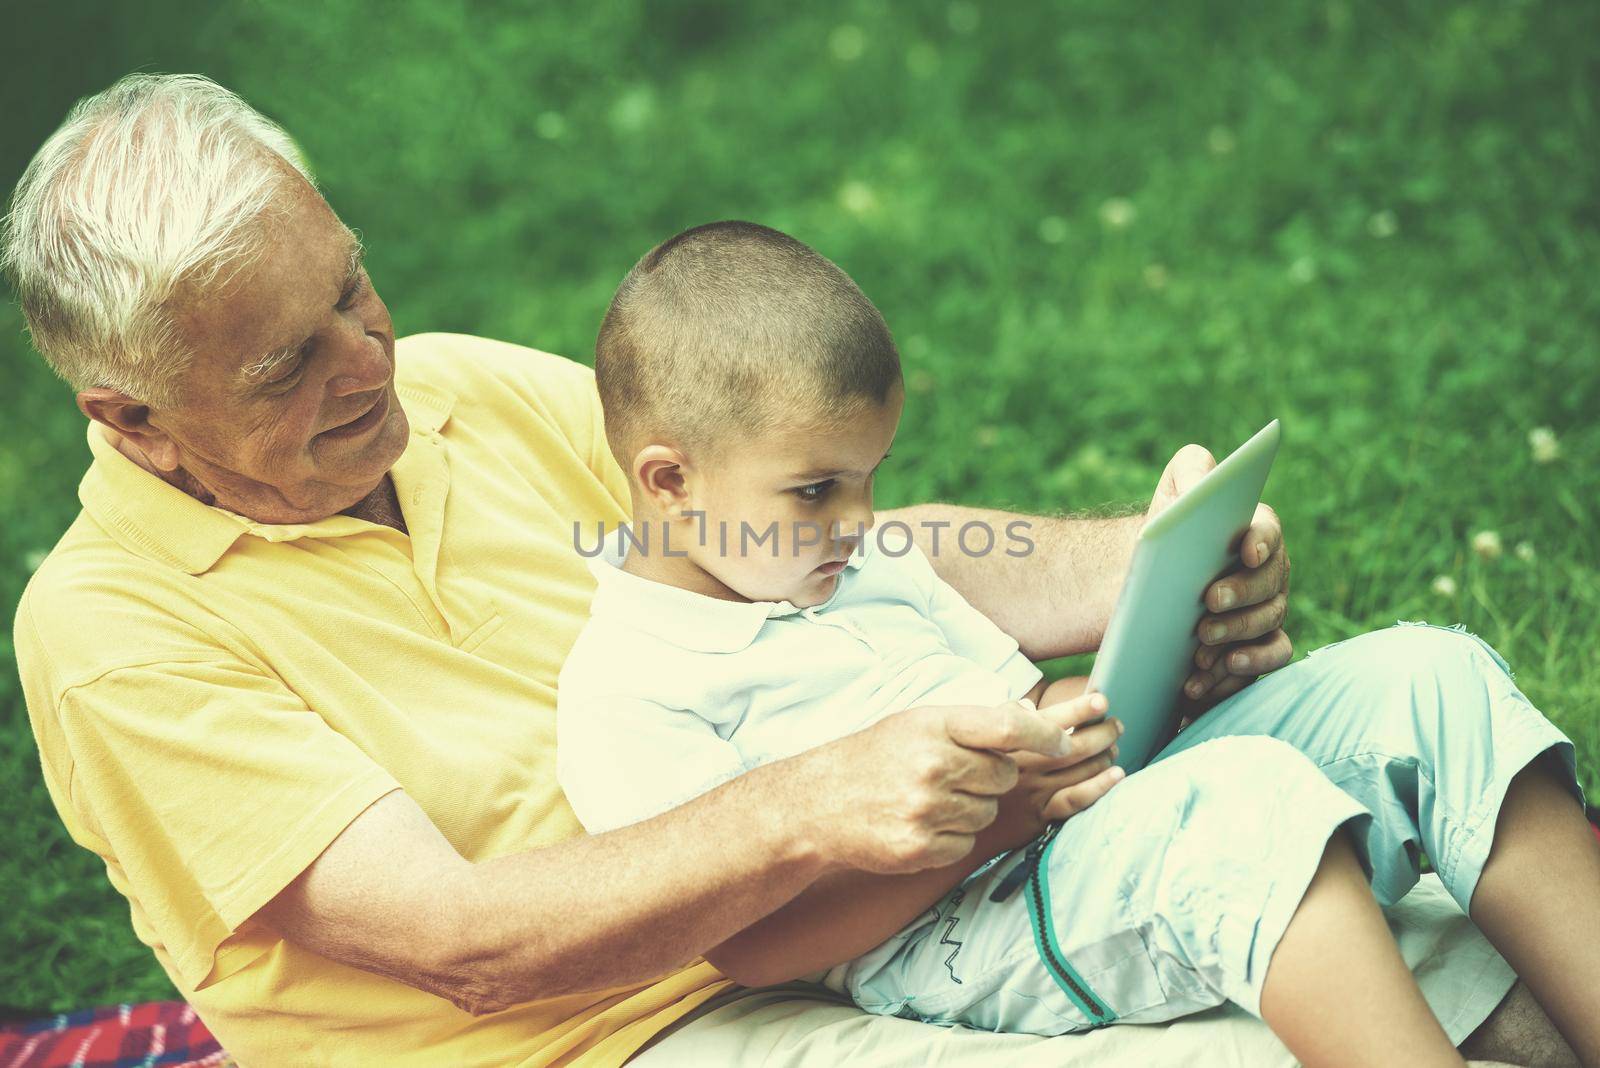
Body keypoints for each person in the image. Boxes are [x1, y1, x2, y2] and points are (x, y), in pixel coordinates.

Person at [2, 72, 1589, 1067]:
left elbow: (799, 535)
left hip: (895, 891)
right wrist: (823, 802)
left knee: (1434, 861)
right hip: (612, 1037)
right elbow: (463, 947)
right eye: (288, 366)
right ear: (134, 420)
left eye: (356, 287)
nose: (369, 362)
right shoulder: (111, 633)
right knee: (1275, 962)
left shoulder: (458, 394)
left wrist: (1141, 571)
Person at [553, 222, 1595, 1066]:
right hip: (958, 935)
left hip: (1074, 829)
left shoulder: (858, 567)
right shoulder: (631, 690)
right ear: (669, 481)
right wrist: (992, 821)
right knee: (1242, 804)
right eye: (817, 490)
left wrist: (1111, 688)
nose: (860, 520)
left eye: (870, 478)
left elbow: (1022, 696)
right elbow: (751, 944)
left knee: (1428, 676)